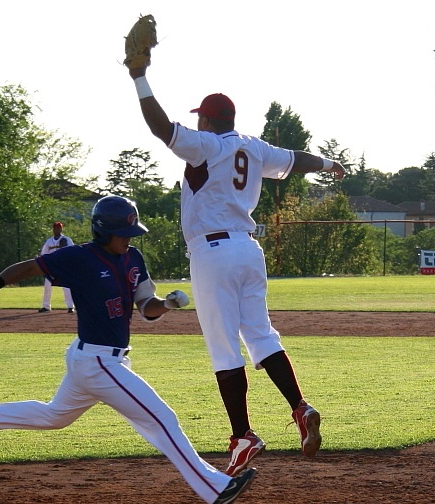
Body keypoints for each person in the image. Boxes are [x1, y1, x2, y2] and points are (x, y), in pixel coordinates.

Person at [0, 195, 256, 504]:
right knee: (162, 420)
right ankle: (216, 488)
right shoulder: (79, 257)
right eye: (124, 233)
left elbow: (146, 307)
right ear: (103, 231)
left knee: (54, 416)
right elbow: (31, 267)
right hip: (96, 362)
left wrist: (167, 304)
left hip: (100, 360)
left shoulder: (134, 258)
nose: (129, 239)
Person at [127, 61, 347, 479]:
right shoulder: (254, 146)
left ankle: (242, 435)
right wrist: (327, 163)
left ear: (207, 120)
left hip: (213, 252)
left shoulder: (207, 145)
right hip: (248, 250)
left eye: (201, 119)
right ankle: (301, 408)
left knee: (224, 348)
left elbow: (161, 127)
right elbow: (295, 159)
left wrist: (138, 77)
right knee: (261, 336)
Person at [40, 221, 75, 313]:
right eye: (55, 228)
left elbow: (73, 252)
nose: (57, 229)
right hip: (51, 266)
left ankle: (70, 306)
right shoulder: (49, 241)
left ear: (61, 229)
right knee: (47, 286)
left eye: (59, 228)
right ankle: (46, 306)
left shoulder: (67, 240)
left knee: (67, 287)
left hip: (63, 266)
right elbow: (44, 254)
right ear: (53, 229)